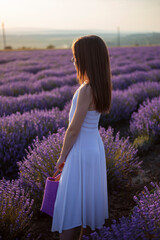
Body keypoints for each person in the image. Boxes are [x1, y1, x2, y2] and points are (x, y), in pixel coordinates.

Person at [51, 35, 112, 240]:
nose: (74, 60)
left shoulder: (86, 89)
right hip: (94, 147)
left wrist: (62, 158)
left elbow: (73, 129)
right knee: (88, 206)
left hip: (80, 150)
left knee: (70, 207)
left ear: (87, 58)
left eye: (76, 56)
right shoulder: (100, 85)